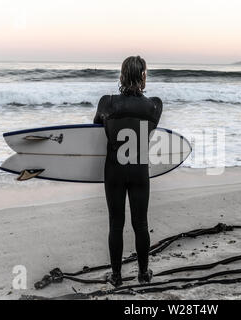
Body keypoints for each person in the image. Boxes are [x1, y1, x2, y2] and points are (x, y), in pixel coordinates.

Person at [93, 56, 162, 287]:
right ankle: (143, 274)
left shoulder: (107, 102)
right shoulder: (154, 105)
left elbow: (96, 126)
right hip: (139, 170)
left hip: (114, 170)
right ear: (143, 76)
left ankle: (116, 277)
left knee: (116, 223)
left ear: (122, 75)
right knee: (141, 223)